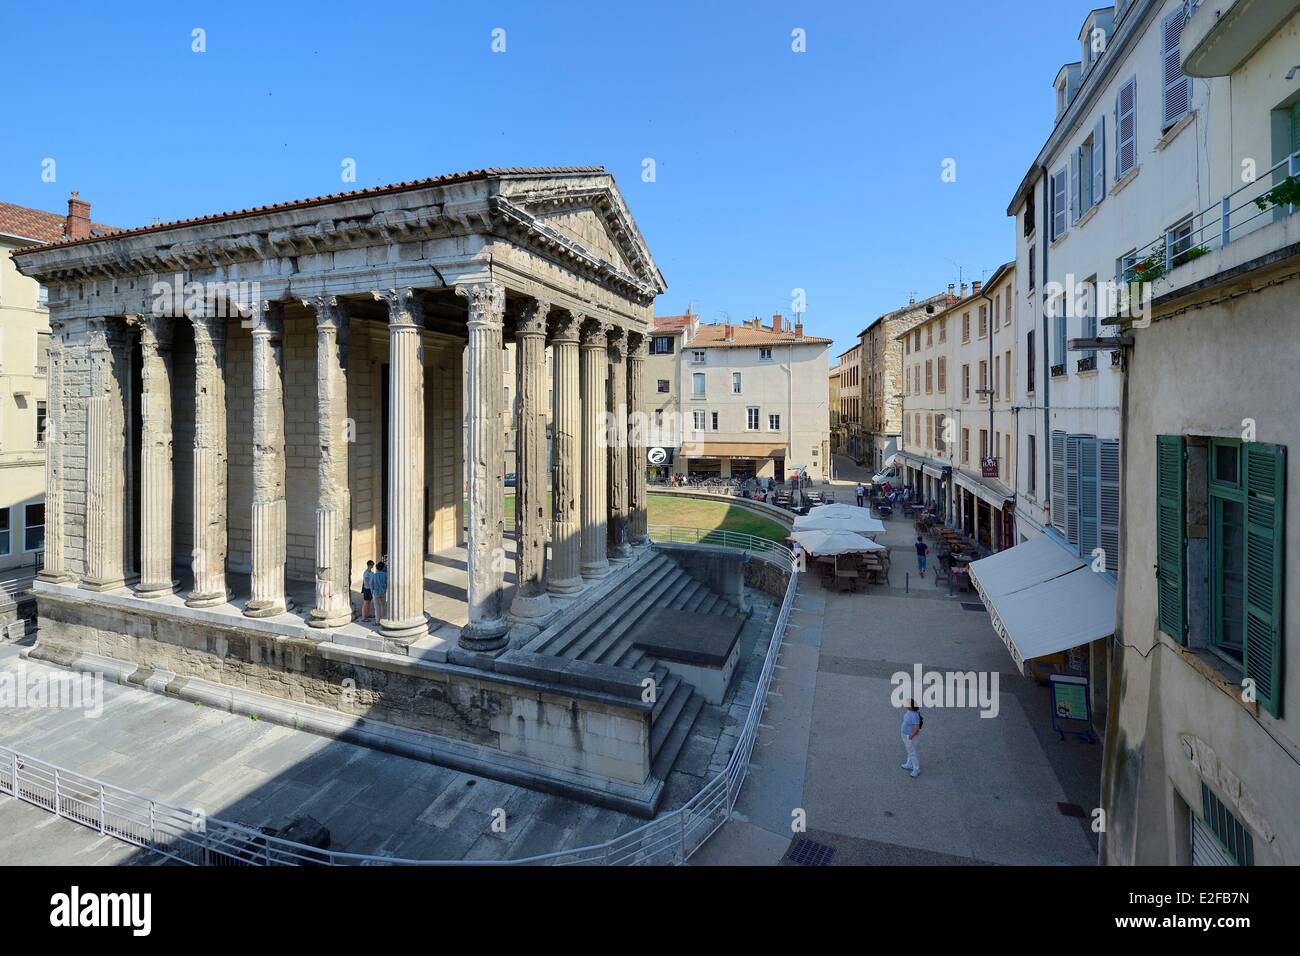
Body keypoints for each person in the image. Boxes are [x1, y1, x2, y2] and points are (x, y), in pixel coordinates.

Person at [900, 699, 923, 777]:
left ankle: (916, 769)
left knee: (912, 753)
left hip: (910, 736)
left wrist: (910, 737)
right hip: (905, 735)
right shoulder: (909, 711)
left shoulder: (914, 715)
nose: (905, 704)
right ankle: (909, 764)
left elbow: (916, 728)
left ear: (911, 707)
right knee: (909, 751)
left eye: (907, 704)